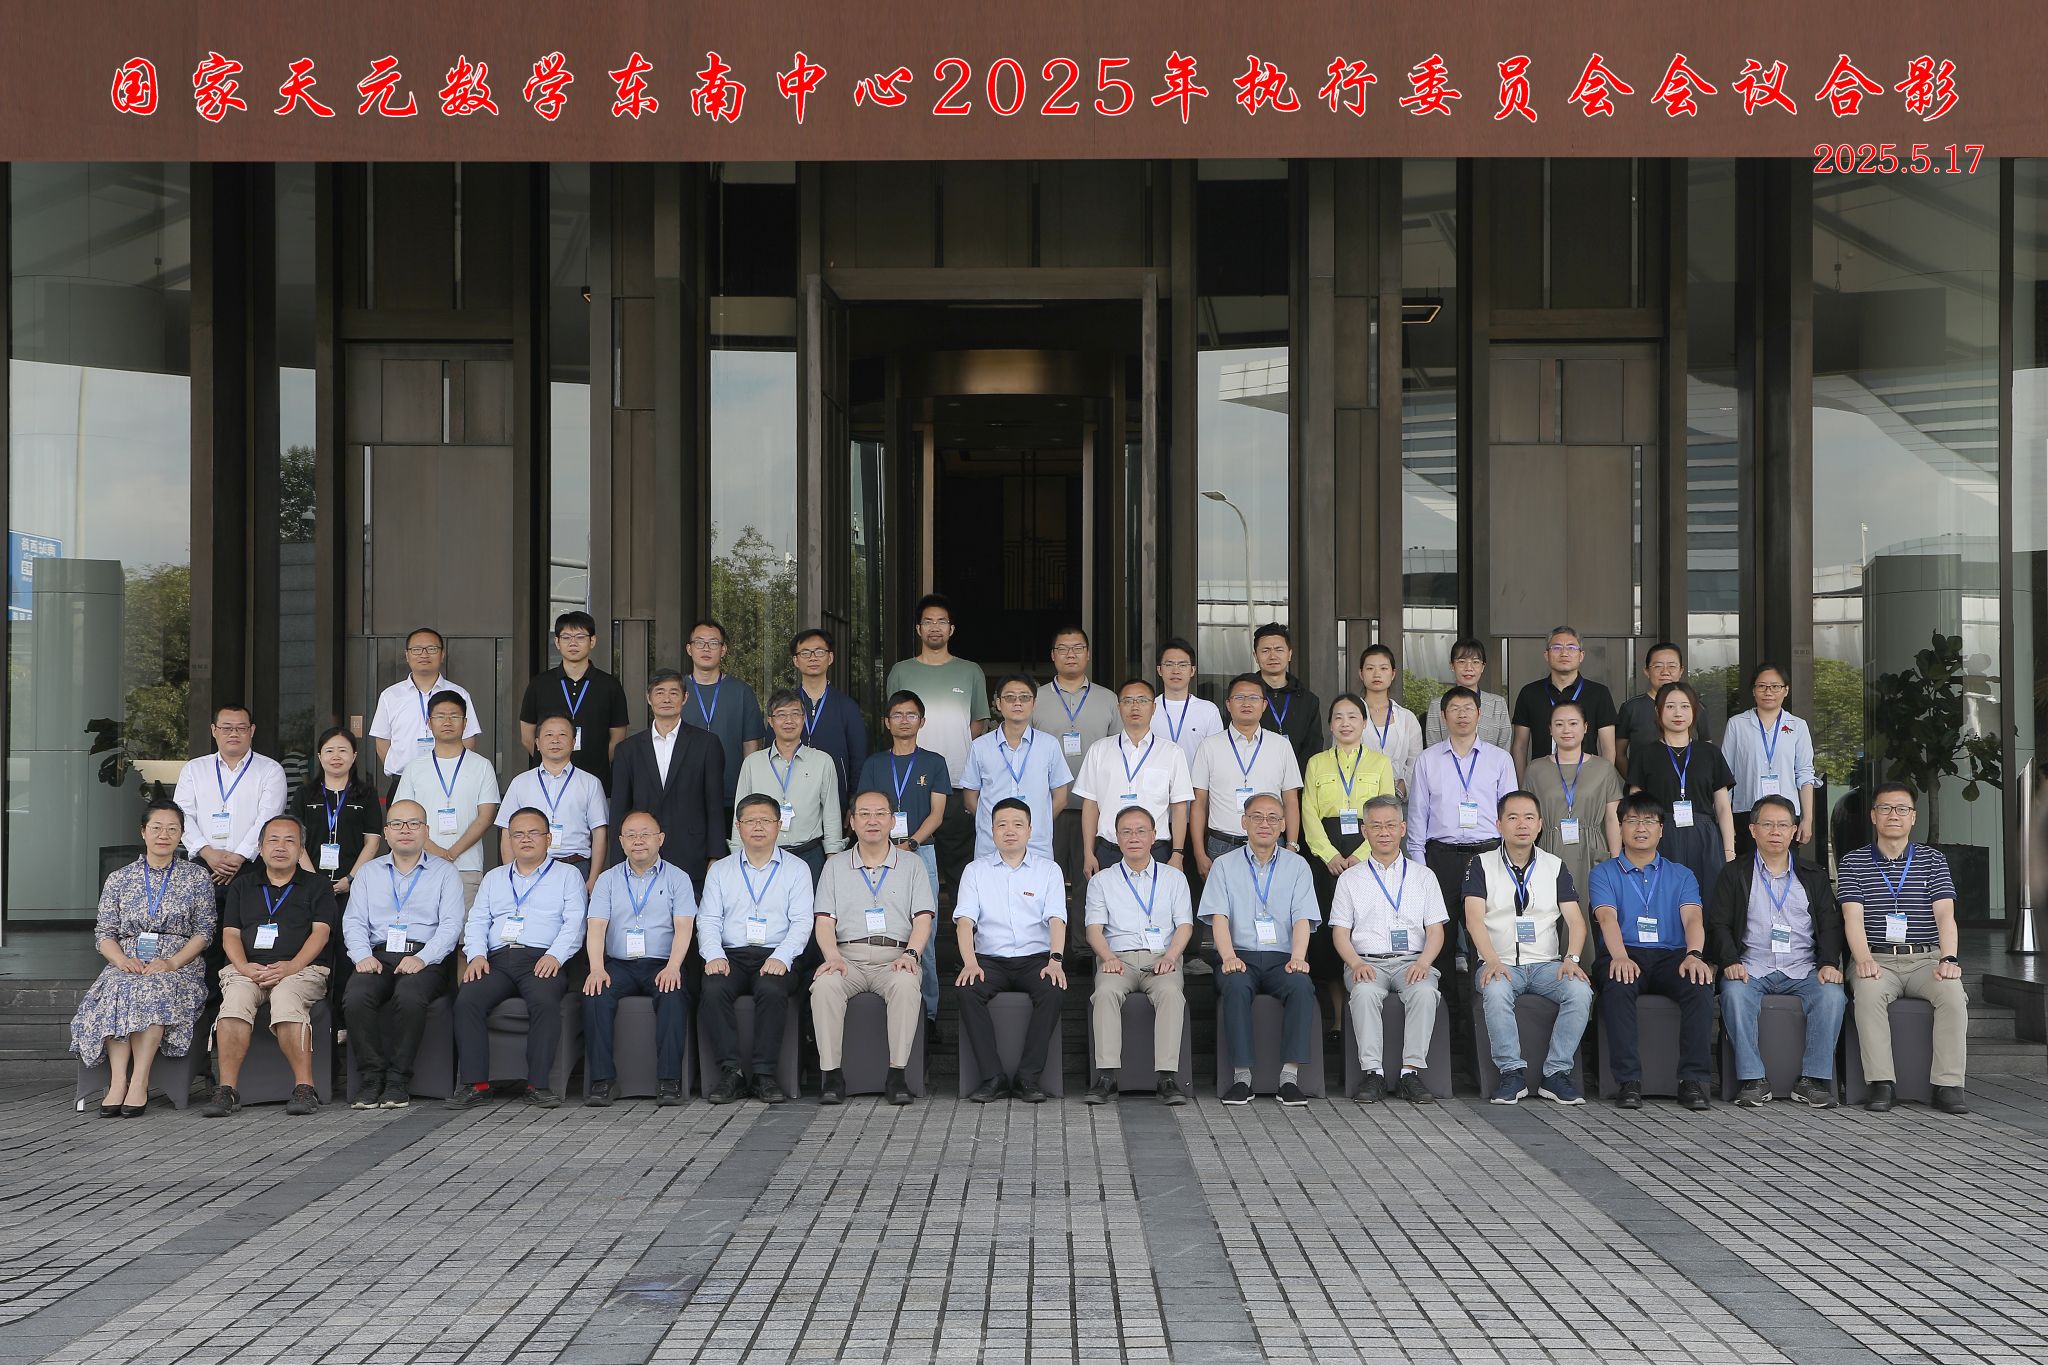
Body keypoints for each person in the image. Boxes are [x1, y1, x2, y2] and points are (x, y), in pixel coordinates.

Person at [70, 799, 216, 1116]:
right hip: (127, 962)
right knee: (117, 988)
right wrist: (121, 961)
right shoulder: (119, 878)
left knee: (152, 988)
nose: (164, 835)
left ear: (181, 835)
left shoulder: (196, 877)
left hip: (178, 965)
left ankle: (139, 1080)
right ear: (143, 832)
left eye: (172, 829)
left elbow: (204, 932)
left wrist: (172, 963)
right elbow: (104, 933)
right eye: (156, 828)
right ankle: (118, 1081)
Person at [1837, 783, 1970, 1115]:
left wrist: (1948, 958)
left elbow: (1945, 914)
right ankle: (1881, 1083)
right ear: (1873, 816)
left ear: (1913, 817)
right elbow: (1852, 918)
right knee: (1868, 994)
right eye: (1885, 808)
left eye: (1901, 809)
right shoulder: (1853, 862)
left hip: (1925, 958)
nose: (1893, 815)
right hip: (1877, 958)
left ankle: (1948, 1085)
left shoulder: (1932, 860)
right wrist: (1862, 958)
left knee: (1953, 994)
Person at [1707, 795, 1845, 1109]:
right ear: (1752, 829)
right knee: (1734, 994)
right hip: (1751, 966)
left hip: (1803, 967)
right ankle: (1753, 1079)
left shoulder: (1813, 875)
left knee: (1832, 996)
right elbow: (1719, 923)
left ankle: (1812, 1080)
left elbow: (1830, 924)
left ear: (1794, 830)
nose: (1775, 831)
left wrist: (1828, 963)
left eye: (1783, 825)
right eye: (1767, 824)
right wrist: (1729, 960)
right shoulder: (1735, 873)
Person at [447, 808, 588, 1110]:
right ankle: (476, 1085)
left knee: (545, 1002)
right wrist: (476, 955)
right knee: (467, 999)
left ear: (548, 839)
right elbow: (477, 920)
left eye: (534, 833)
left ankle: (538, 1085)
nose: (526, 839)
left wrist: (555, 955)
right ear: (509, 840)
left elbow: (575, 923)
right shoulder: (495, 878)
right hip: (495, 960)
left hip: (542, 959)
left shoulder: (568, 875)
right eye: (518, 834)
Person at [1463, 791, 1593, 1105]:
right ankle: (1512, 1073)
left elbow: (1576, 922)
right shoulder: (1480, 864)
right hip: (1500, 961)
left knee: (1580, 991)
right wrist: (1491, 960)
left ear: (1539, 825)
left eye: (1529, 818)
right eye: (1513, 817)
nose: (1521, 824)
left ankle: (1556, 1074)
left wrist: (1572, 959)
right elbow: (1473, 919)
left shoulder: (1554, 865)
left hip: (1546, 965)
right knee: (1495, 991)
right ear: (1499, 825)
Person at [204, 816, 338, 1118]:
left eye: (290, 841)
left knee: (286, 999)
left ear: (301, 849)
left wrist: (291, 967)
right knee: (234, 1003)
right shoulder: (242, 885)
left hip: (301, 970)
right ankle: (227, 1090)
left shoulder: (317, 886)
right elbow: (230, 935)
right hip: (247, 969)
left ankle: (304, 1088)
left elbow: (321, 934)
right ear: (260, 847)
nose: (280, 847)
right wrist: (244, 967)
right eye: (273, 840)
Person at [1589, 792, 1715, 1112]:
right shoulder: (1604, 873)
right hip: (1624, 951)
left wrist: (1695, 955)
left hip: (1672, 955)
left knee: (1699, 983)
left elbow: (1693, 918)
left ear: (1661, 829)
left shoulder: (1682, 874)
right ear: (1620, 827)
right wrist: (1619, 956)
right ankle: (1628, 1081)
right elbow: (1607, 918)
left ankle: (1692, 1081)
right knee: (1619, 983)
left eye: (1649, 821)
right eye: (1632, 820)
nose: (1640, 828)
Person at [812, 791, 936, 1106]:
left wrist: (911, 954)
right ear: (852, 822)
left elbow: (923, 919)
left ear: (893, 821)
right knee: (824, 985)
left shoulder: (912, 865)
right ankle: (831, 1075)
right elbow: (824, 921)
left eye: (880, 813)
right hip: (847, 958)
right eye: (864, 814)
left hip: (894, 958)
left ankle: (897, 1075)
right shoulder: (835, 865)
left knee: (906, 984)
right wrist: (832, 957)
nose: (872, 821)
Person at [340, 800, 466, 1109]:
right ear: (386, 832)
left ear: (426, 830)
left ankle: (398, 1079)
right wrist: (362, 955)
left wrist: (424, 957)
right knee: (356, 995)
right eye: (397, 824)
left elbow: (451, 925)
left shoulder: (445, 873)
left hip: (426, 958)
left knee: (409, 995)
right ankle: (372, 1077)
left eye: (413, 823)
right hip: (378, 956)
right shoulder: (368, 873)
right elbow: (354, 921)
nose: (405, 830)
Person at [698, 794, 816, 1104]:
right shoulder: (720, 870)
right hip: (732, 955)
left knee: (772, 989)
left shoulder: (797, 869)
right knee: (713, 988)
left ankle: (764, 1074)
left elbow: (802, 922)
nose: (758, 827)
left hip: (778, 952)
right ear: (738, 827)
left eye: (766, 820)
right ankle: (732, 1073)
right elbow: (708, 919)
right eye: (750, 821)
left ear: (779, 825)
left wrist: (782, 957)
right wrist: (714, 955)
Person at [1205, 792, 1321, 1106]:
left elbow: (1302, 917)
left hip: (1282, 957)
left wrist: (1298, 958)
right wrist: (1228, 957)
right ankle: (1242, 1078)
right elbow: (1219, 917)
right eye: (1257, 817)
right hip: (1239, 955)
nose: (1264, 824)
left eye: (1272, 818)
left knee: (1301, 985)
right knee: (1235, 985)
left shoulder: (1297, 866)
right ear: (1244, 822)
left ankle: (1289, 1078)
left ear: (1283, 825)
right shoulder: (1224, 865)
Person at [1330, 795, 1447, 1104]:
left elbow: (1436, 930)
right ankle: (1374, 1074)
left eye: (1391, 825)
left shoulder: (1424, 876)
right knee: (1364, 993)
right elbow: (1340, 933)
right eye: (1376, 826)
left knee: (1425, 993)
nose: (1384, 832)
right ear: (1364, 831)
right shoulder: (1349, 879)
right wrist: (1355, 964)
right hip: (1366, 962)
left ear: (1403, 829)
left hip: (1413, 961)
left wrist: (1424, 962)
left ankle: (1410, 1073)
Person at [953, 798, 1068, 1104]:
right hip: (990, 960)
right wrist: (970, 963)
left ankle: (1027, 1078)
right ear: (991, 831)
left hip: (1035, 959)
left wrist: (1056, 961)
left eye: (1018, 824)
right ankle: (993, 1077)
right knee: (967, 990)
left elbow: (1057, 920)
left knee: (1053, 989)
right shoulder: (975, 871)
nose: (1010, 831)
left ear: (1030, 830)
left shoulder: (1048, 870)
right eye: (1001, 825)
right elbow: (964, 922)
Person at [581, 810, 697, 1108]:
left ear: (661, 839)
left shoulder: (678, 878)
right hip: (618, 964)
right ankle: (603, 1080)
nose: (638, 841)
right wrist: (596, 968)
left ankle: (669, 1080)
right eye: (631, 835)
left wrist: (673, 967)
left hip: (662, 963)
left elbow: (684, 927)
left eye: (645, 834)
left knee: (672, 994)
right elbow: (596, 927)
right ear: (621, 842)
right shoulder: (607, 880)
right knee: (595, 993)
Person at [1406, 687, 1519, 986]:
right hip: (1441, 858)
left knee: (1485, 937)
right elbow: (1417, 814)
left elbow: (1511, 814)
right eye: (1454, 709)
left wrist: (1508, 859)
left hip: (1488, 856)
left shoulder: (1500, 759)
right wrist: (1420, 867)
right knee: (1439, 936)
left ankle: (1481, 1008)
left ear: (1479, 714)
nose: (1462, 714)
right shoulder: (1428, 760)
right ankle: (1445, 1010)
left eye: (1468, 708)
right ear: (1443, 716)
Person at [1299, 694, 1397, 1035]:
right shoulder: (1316, 763)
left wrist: (1362, 854)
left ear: (1364, 723)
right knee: (1330, 932)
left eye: (1353, 716)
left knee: (1363, 926)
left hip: (1367, 849)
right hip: (1326, 856)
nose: (1345, 723)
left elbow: (1387, 810)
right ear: (1330, 724)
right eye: (1338, 717)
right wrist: (1328, 855)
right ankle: (1339, 1019)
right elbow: (1309, 812)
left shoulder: (1380, 763)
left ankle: (1365, 1011)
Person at [1083, 807, 1194, 1107]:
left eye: (1141, 831)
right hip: (1117, 959)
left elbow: (1185, 926)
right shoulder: (1102, 881)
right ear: (1117, 838)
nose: (1134, 838)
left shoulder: (1173, 878)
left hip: (1162, 958)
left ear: (1154, 836)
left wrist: (1171, 956)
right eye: (1126, 832)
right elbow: (1093, 930)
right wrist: (1107, 957)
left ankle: (1167, 1078)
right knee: (1105, 992)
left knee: (1171, 993)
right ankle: (1106, 1077)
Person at [856, 691, 952, 1032]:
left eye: (911, 715)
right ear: (887, 722)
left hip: (921, 852)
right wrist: (886, 845)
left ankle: (929, 1014)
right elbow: (865, 810)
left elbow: (937, 814)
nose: (904, 720)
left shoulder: (934, 762)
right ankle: (889, 1005)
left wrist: (911, 843)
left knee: (925, 935)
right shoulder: (874, 764)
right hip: (878, 854)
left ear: (922, 722)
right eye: (897, 714)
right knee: (882, 929)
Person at [884, 594, 989, 885]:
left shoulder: (970, 671)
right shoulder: (901, 671)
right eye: (928, 621)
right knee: (909, 866)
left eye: (941, 621)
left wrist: (953, 743)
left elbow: (978, 722)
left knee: (960, 867)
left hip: (957, 781)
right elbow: (895, 719)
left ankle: (961, 916)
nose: (935, 627)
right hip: (909, 783)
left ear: (951, 629)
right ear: (918, 629)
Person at [608, 669, 727, 894]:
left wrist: (716, 856)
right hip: (640, 856)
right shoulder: (627, 750)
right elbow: (619, 811)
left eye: (674, 693)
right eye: (660, 692)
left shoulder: (707, 744)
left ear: (685, 698)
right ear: (648, 698)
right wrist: (617, 862)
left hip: (692, 854)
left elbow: (714, 805)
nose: (666, 699)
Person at [1624, 681, 1736, 904]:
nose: (1678, 713)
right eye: (1670, 706)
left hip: (1704, 837)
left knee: (1707, 901)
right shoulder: (1646, 754)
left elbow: (1723, 807)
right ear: (1658, 711)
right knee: (1661, 901)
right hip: (1660, 836)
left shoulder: (1710, 753)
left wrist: (1729, 850)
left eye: (1685, 706)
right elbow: (1635, 808)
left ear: (1694, 711)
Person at [1194, 674, 1306, 896]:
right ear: (1228, 704)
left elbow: (1291, 801)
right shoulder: (1209, 746)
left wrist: (1291, 846)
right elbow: (1199, 803)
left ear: (1264, 705)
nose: (1246, 703)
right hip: (1222, 846)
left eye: (1253, 698)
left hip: (1270, 844)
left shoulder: (1281, 746)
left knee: (1270, 909)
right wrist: (1199, 853)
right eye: (1239, 697)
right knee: (1224, 911)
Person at [1034, 625, 1119, 915]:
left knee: (1090, 882)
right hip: (1048, 810)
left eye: (1077, 648)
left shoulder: (1108, 699)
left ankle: (1084, 941)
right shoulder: (1034, 699)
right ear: (1052, 655)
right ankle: (1047, 939)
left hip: (1095, 809)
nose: (1070, 654)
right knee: (1044, 881)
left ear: (1088, 654)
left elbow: (1119, 752)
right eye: (1063, 648)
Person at [393, 690, 501, 907]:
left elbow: (486, 817)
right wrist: (436, 852)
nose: (447, 722)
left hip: (467, 865)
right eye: (440, 716)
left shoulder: (482, 765)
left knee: (463, 926)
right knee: (421, 924)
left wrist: (452, 853)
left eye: (454, 716)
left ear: (465, 723)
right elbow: (402, 816)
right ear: (429, 722)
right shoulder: (414, 768)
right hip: (420, 863)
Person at [1078, 679, 1194, 878]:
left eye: (1142, 700)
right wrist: (1088, 852)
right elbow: (1090, 805)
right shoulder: (1099, 750)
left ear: (1153, 707)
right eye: (1128, 701)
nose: (1135, 706)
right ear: (1118, 708)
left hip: (1156, 851)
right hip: (1109, 850)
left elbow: (1179, 807)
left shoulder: (1172, 752)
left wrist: (1177, 853)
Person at [730, 688, 845, 882]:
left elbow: (831, 813)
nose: (789, 721)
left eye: (795, 714)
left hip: (810, 854)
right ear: (770, 721)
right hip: (762, 855)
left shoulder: (822, 761)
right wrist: (736, 854)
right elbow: (739, 812)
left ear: (804, 718)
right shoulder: (752, 763)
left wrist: (832, 855)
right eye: (781, 715)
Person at [1525, 700, 1625, 920]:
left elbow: (1612, 818)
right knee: (1550, 914)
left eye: (1573, 723)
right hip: (1550, 847)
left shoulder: (1603, 768)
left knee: (1593, 911)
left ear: (1585, 727)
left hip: (1591, 848)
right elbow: (1528, 817)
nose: (1566, 730)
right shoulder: (1535, 769)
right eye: (1559, 724)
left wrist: (1617, 860)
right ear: (1550, 729)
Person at [173, 703, 288, 892]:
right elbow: (180, 816)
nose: (234, 734)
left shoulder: (270, 770)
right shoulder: (194, 769)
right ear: (214, 730)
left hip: (252, 866)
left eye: (241, 728)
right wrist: (207, 852)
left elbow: (268, 819)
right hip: (202, 865)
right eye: (226, 728)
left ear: (252, 730)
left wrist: (240, 856)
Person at [960, 674, 1071, 863]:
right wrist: (993, 825)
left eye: (1024, 697)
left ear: (1034, 703)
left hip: (1036, 845)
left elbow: (1060, 798)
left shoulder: (1049, 745)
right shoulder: (980, 746)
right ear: (998, 703)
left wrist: (1036, 824)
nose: (1017, 703)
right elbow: (970, 799)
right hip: (991, 845)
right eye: (1010, 697)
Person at [519, 611, 631, 792]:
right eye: (566, 637)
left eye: (580, 637)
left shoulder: (609, 685)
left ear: (592, 641)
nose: (573, 643)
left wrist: (598, 763)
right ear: (557, 642)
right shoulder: (539, 684)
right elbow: (527, 736)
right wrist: (553, 761)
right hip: (547, 782)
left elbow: (618, 737)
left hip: (595, 780)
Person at [497, 714, 609, 893]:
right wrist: (510, 874)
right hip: (528, 868)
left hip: (575, 866)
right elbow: (506, 830)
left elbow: (599, 832)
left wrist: (594, 877)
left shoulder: (590, 783)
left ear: (573, 742)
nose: (555, 740)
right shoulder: (520, 782)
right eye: (549, 735)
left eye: (562, 735)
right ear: (537, 743)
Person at [1721, 662, 1819, 861]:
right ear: (1753, 690)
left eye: (1775, 686)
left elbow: (1805, 774)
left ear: (1786, 690)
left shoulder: (1797, 726)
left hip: (1786, 815)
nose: (1768, 692)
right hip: (1746, 813)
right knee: (1747, 871)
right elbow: (1725, 775)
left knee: (1784, 869)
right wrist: (1727, 822)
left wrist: (1807, 819)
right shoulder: (1737, 724)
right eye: (1762, 686)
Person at [369, 627, 480, 784]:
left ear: (442, 654)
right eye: (416, 649)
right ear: (407, 655)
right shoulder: (390, 696)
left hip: (448, 780)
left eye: (432, 649)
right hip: (403, 780)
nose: (424, 654)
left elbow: (468, 739)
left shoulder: (459, 694)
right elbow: (382, 741)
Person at [681, 618, 768, 817]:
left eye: (713, 643)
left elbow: (751, 746)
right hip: (684, 793)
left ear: (723, 649)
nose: (706, 648)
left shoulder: (741, 691)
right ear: (689, 649)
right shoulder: (676, 691)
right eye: (699, 642)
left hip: (732, 795)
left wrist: (748, 791)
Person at [1511, 625, 1618, 774]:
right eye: (1556, 647)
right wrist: (1524, 784)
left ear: (1581, 655)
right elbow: (1520, 746)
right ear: (1546, 655)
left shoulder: (1599, 693)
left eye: (1571, 648)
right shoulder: (1529, 693)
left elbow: (1608, 748)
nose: (1564, 653)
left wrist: (1603, 782)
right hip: (1541, 779)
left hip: (1587, 779)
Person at [292, 726, 382, 903]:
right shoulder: (304, 794)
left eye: (342, 750)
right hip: (308, 886)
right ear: (320, 756)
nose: (336, 756)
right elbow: (295, 840)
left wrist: (351, 878)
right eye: (329, 751)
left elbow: (373, 842)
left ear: (354, 756)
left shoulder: (367, 794)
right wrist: (313, 880)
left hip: (353, 886)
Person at [791, 627, 867, 806]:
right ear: (796, 660)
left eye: (819, 652)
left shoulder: (847, 706)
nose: (813, 658)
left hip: (835, 798)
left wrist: (854, 803)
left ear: (830, 657)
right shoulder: (785, 706)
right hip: (791, 797)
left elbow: (858, 760)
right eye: (805, 653)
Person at [1252, 623, 1323, 769]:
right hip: (1254, 775)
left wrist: (1294, 776)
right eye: (1265, 650)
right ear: (1255, 656)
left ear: (1289, 654)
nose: (1273, 656)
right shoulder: (1245, 698)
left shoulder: (1308, 700)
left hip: (1298, 778)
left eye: (1279, 650)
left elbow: (1313, 747)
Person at [1356, 645, 1425, 795]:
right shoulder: (1350, 715)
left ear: (1393, 674)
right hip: (1358, 796)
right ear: (1361, 673)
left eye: (1383, 668)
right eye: (1370, 668)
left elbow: (1415, 762)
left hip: (1397, 798)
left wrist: (1400, 790)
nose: (1377, 674)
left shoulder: (1406, 718)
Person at [1423, 639, 1513, 751]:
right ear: (1452, 665)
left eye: (1475, 662)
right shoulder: (1437, 705)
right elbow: (1433, 751)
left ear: (1483, 667)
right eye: (1462, 662)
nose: (1468, 668)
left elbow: (1504, 749)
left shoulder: (1497, 704)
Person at [1150, 636, 1224, 769]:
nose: (1176, 671)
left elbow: (1216, 757)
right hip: (1156, 782)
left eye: (1183, 665)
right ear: (1159, 670)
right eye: (1169, 664)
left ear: (1192, 670)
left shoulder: (1208, 710)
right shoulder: (1147, 709)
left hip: (1195, 782)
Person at [1615, 641, 1686, 776]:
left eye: (1672, 666)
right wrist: (1635, 782)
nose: (1665, 672)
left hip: (1687, 787)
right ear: (1647, 671)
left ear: (1681, 671)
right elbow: (1619, 755)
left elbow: (1706, 752)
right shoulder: (1631, 708)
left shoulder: (1695, 708)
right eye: (1658, 666)